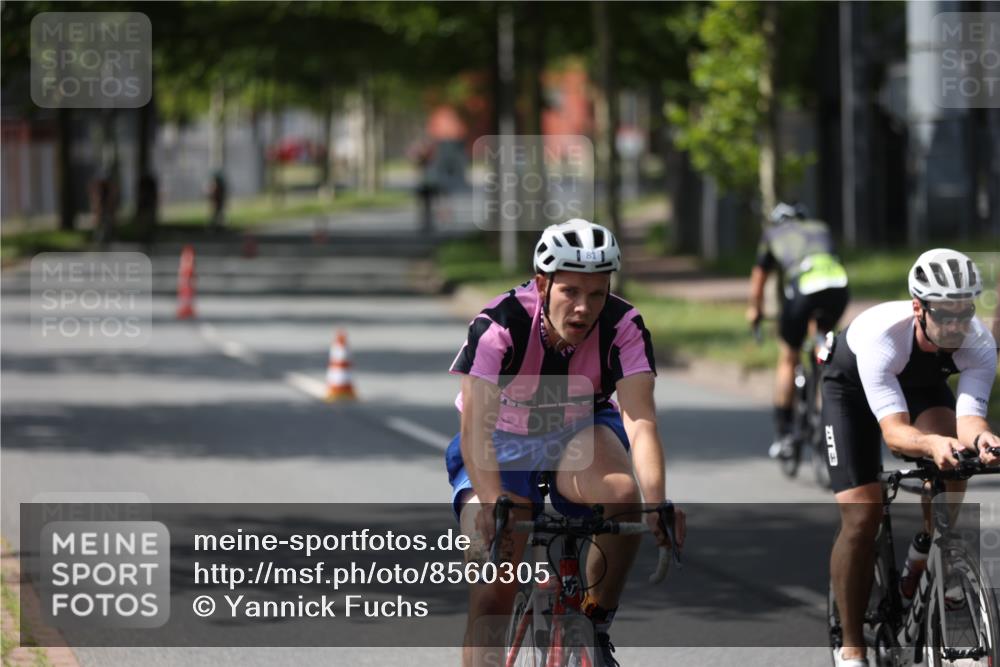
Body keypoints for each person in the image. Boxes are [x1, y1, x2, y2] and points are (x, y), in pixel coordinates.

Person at [446, 219, 685, 667]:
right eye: (570, 292)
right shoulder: (499, 325)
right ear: (542, 283)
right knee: (494, 587)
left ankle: (595, 620)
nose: (583, 309)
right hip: (501, 438)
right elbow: (476, 429)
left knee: (622, 495)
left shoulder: (623, 325)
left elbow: (640, 421)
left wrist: (658, 502)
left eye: (596, 294)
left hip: (579, 427)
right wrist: (494, 498)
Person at [822, 248, 999, 666]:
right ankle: (851, 644)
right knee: (862, 516)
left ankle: (931, 550)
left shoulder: (978, 342)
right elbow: (897, 436)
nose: (957, 325)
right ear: (919, 308)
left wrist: (984, 440)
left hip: (919, 385)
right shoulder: (885, 338)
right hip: (851, 391)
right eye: (945, 315)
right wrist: (934, 445)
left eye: (965, 312)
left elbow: (969, 421)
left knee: (957, 455)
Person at [746, 202, 850, 458]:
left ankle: (783, 433)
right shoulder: (820, 227)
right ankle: (827, 418)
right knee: (823, 348)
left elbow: (759, 278)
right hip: (838, 287)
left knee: (788, 357)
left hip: (804, 289)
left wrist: (755, 312)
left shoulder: (772, 234)